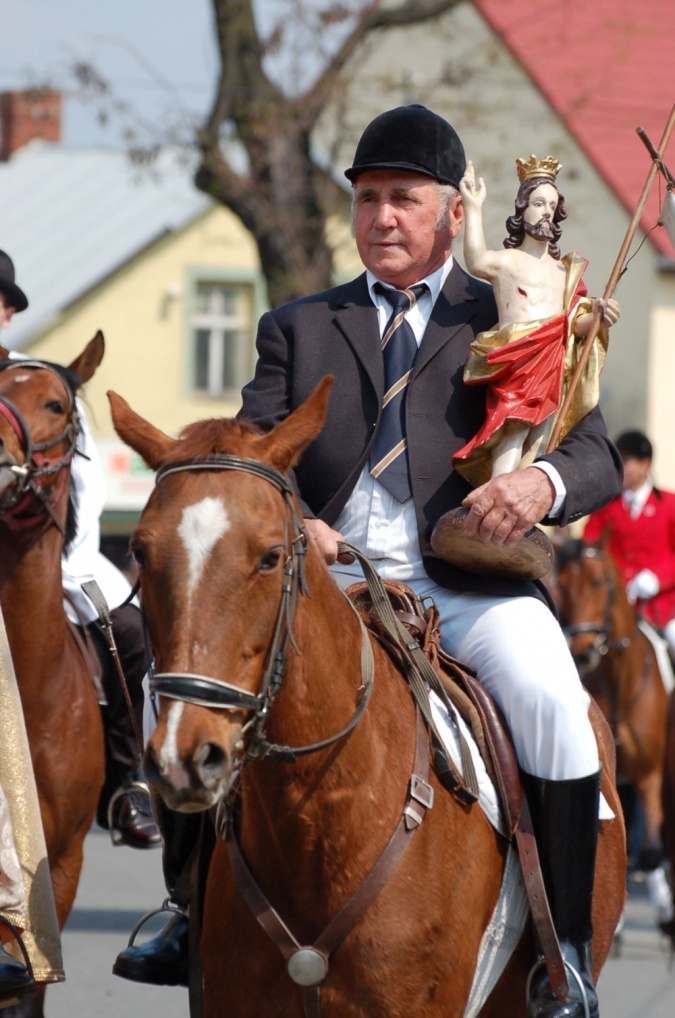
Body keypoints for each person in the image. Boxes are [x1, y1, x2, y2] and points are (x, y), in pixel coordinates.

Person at [234, 105, 623, 1018]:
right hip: (323, 584)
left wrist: (540, 491)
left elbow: (594, 453)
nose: (381, 217)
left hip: (468, 586)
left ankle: (563, 952)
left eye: (402, 199)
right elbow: (251, 453)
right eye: (367, 199)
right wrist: (293, 519)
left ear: (454, 211)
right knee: (198, 683)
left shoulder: (516, 304)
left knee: (553, 703)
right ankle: (182, 910)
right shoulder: (298, 325)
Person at [0, 250, 160, 851]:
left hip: (56, 557)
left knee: (129, 629)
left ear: (8, 313)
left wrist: (61, 560)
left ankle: (126, 782)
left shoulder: (36, 384)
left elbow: (85, 486)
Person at [453, 156, 619, 487]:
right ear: (522, 208)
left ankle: (513, 502)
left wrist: (599, 315)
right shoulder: (508, 262)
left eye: (552, 205)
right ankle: (496, 494)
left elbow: (573, 324)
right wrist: (473, 207)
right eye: (538, 203)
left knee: (540, 438)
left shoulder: (564, 271)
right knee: (512, 426)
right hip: (518, 359)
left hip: (551, 362)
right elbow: (475, 260)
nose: (546, 211)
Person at [583, 429, 675, 927]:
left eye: (629, 464)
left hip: (662, 611)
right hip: (616, 622)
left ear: (644, 464)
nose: (624, 471)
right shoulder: (607, 509)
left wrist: (655, 579)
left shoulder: (669, 505)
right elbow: (590, 555)